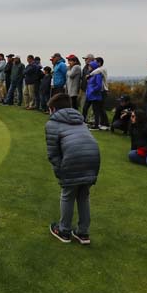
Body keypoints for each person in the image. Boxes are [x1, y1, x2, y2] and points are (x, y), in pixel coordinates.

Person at [46, 93, 101, 245]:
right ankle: (83, 233)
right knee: (83, 195)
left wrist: (61, 173)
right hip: (93, 159)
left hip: (74, 158)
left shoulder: (52, 124)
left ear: (53, 109)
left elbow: (53, 154)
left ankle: (64, 230)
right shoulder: (81, 121)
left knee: (68, 193)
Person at [86, 57, 110, 130]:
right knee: (99, 109)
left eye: (96, 62)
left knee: (101, 108)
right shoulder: (99, 71)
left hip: (103, 91)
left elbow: (97, 71)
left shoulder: (101, 69)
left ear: (99, 63)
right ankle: (102, 123)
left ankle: (105, 123)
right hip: (102, 91)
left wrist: (89, 75)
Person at [80, 53, 95, 122]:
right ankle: (84, 118)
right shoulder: (85, 67)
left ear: (91, 59)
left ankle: (91, 119)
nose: (85, 60)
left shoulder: (94, 67)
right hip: (84, 88)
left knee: (91, 106)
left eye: (86, 59)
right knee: (83, 104)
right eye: (85, 59)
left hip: (91, 90)